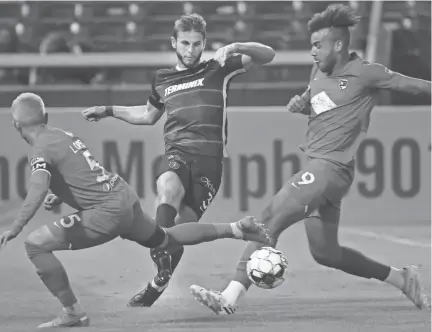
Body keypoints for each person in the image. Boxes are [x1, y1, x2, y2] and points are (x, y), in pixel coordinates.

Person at [189, 4, 431, 314]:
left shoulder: (367, 73)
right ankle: (401, 278)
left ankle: (228, 297)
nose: (313, 52)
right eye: (311, 45)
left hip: (332, 168)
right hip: (319, 168)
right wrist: (301, 104)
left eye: (318, 45)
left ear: (339, 44)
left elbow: (413, 85)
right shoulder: (318, 70)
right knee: (326, 253)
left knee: (270, 216)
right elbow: (314, 99)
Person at [0, 93, 271, 328]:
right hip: (123, 198)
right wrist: (58, 194)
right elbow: (80, 174)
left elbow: (36, 188)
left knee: (35, 245)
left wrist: (16, 226)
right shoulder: (60, 135)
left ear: (15, 124)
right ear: (45, 116)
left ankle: (72, 313)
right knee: (166, 238)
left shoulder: (39, 149)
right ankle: (236, 229)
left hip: (105, 213)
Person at [81, 12, 276, 307]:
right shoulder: (162, 78)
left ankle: (159, 282)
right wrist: (108, 110)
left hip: (209, 162)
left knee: (177, 235)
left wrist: (236, 46)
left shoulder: (219, 68)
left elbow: (268, 55)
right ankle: (165, 264)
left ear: (204, 43)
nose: (190, 50)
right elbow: (147, 116)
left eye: (197, 44)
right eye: (185, 43)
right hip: (177, 151)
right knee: (168, 188)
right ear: (174, 42)